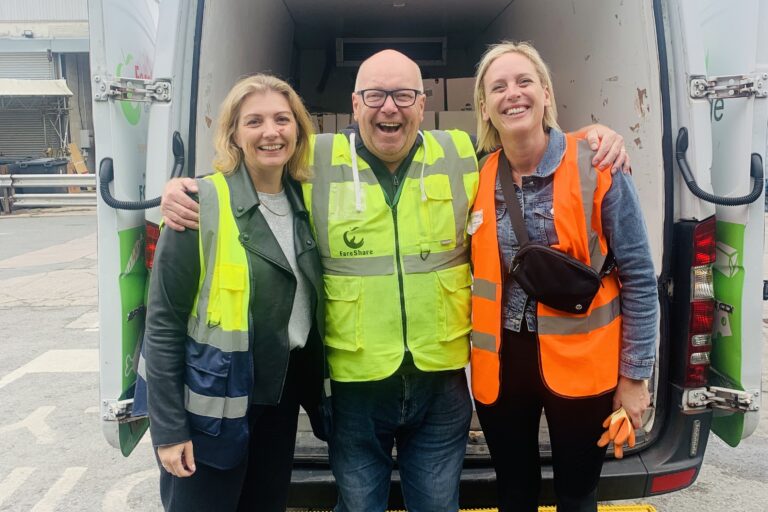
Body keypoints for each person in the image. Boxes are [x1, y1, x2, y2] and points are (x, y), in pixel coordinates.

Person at [160, 50, 629, 512]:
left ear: (423, 105)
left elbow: (528, 140)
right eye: (376, 95)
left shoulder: (462, 154)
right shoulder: (314, 162)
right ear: (355, 103)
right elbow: (256, 175)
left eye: (404, 95)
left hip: (440, 384)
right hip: (355, 387)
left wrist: (592, 138)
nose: (390, 107)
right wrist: (184, 187)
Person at [469, 41, 658, 512]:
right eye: (499, 87)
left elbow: (638, 276)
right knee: (514, 490)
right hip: (502, 361)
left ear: (547, 94)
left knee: (577, 493)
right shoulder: (475, 177)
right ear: (486, 107)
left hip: (585, 363)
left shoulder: (598, 165)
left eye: (524, 81)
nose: (513, 94)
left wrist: (635, 377)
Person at [142, 74, 326, 512]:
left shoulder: (311, 201)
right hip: (211, 409)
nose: (271, 132)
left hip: (278, 403)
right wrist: (168, 429)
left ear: (298, 130)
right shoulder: (199, 203)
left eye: (283, 119)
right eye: (254, 121)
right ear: (234, 134)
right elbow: (164, 320)